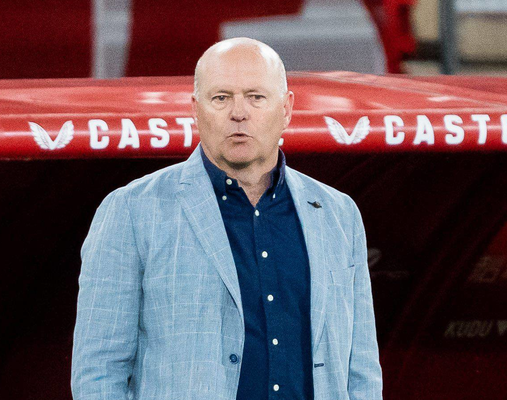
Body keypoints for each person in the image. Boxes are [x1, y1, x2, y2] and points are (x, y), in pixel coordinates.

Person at [71, 37, 382, 400]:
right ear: (195, 109)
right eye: (221, 98)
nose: (239, 113)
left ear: (286, 109)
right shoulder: (132, 212)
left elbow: (362, 372)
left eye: (256, 97)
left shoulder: (338, 213)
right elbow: (99, 373)